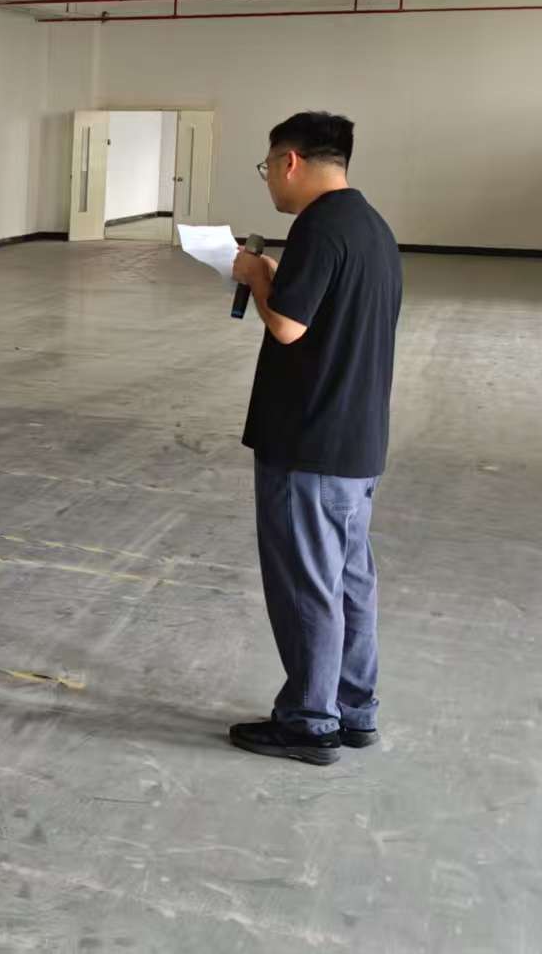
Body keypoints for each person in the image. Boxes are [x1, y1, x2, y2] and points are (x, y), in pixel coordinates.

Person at [226, 112, 401, 766]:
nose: (269, 179)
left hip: (309, 441)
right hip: (356, 439)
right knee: (349, 579)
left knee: (306, 584)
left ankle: (308, 720)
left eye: (268, 166)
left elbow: (287, 326)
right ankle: (353, 709)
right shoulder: (369, 226)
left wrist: (254, 275)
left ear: (291, 161)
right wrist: (275, 276)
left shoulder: (317, 227)